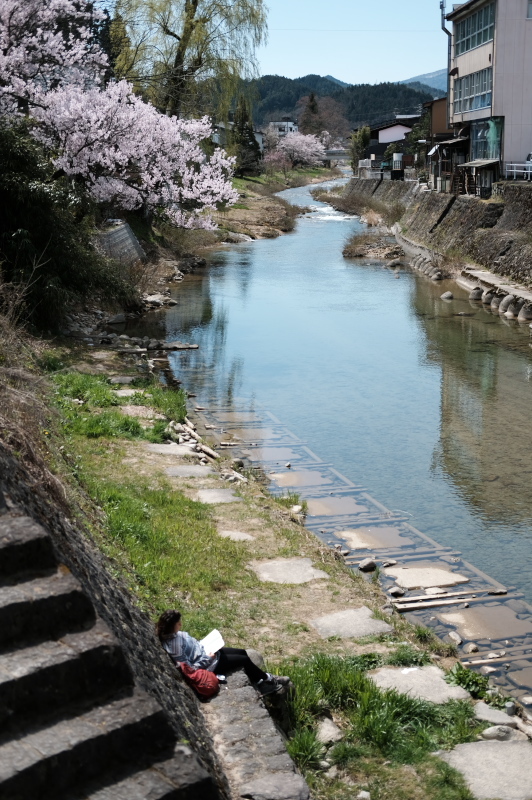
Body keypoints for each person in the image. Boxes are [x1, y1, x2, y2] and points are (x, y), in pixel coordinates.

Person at [156, 610, 290, 696]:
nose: (180, 624)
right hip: (209, 663)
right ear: (171, 626)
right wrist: (207, 659)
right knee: (243, 660)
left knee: (242, 652)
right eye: (178, 623)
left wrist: (206, 644)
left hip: (206, 650)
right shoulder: (174, 647)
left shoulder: (175, 635)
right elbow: (189, 669)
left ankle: (259, 679)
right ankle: (268, 679)